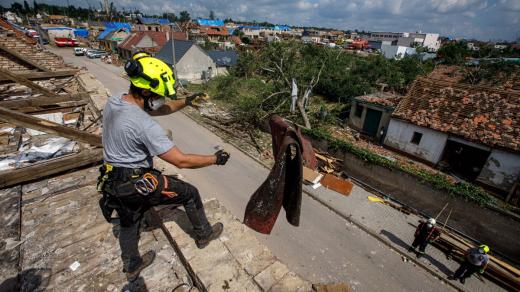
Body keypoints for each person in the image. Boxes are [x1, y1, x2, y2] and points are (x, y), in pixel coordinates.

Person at [98, 52, 230, 281]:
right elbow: (181, 161)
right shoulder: (145, 125)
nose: (161, 99)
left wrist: (187, 101)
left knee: (130, 221)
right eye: (158, 94)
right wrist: (215, 159)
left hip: (113, 181)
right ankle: (204, 234)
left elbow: (162, 108)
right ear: (147, 91)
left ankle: (131, 264)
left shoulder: (117, 101)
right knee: (190, 194)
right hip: (136, 183)